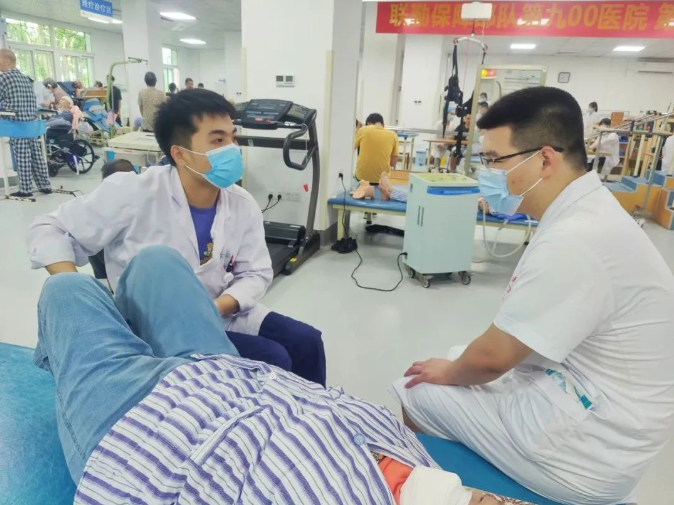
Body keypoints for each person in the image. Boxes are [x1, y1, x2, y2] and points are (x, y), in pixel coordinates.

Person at [391, 87, 674, 505]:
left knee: (416, 388)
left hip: (590, 454)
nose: (487, 172)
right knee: (456, 357)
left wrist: (450, 372)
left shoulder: (575, 240)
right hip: (604, 413)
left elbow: (493, 358)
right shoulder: (592, 211)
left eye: (494, 160)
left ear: (544, 160)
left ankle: (455, 491)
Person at [33, 252, 498, 505]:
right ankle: (127, 336)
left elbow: (255, 274)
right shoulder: (433, 478)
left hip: (149, 426)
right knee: (157, 261)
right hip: (231, 379)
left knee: (67, 288)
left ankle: (101, 358)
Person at [27, 89, 326, 387]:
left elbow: (255, 273)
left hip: (220, 312)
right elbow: (50, 228)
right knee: (271, 358)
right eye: (218, 141)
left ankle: (314, 413)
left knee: (307, 342)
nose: (233, 149)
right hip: (155, 324)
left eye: (233, 138)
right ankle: (262, 414)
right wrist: (81, 301)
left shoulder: (241, 202)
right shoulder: (133, 192)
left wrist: (220, 306)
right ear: (180, 154)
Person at [0, 49, 51, 198]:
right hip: (31, 125)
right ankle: (44, 185)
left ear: (7, 61)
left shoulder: (4, 78)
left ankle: (25, 189)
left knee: (22, 156)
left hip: (17, 124)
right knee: (36, 156)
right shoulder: (26, 79)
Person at [354, 112, 399, 184]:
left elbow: (351, 147)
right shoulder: (393, 135)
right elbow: (393, 163)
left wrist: (357, 129)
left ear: (368, 123)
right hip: (382, 180)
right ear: (383, 125)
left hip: (362, 178)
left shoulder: (363, 130)